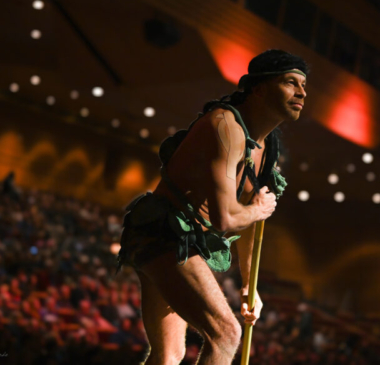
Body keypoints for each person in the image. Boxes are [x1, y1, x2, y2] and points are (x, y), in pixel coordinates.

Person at [115, 49, 308, 365]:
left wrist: (249, 284)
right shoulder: (225, 126)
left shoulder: (268, 146)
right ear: (258, 87)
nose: (301, 92)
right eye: (290, 82)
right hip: (164, 234)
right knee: (227, 334)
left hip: (176, 241)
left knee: (168, 356)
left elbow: (247, 217)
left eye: (304, 85)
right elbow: (226, 219)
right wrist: (259, 210)